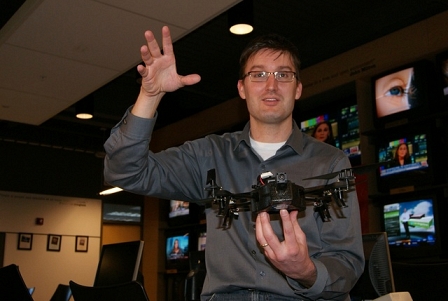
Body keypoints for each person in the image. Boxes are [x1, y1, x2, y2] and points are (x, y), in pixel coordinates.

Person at [104, 26, 364, 301]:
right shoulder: (209, 156)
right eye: (259, 74)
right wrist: (150, 96)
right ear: (242, 88)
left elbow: (347, 262)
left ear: (298, 89)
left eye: (283, 75)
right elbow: (125, 171)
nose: (271, 85)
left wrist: (306, 271)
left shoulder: (330, 163)